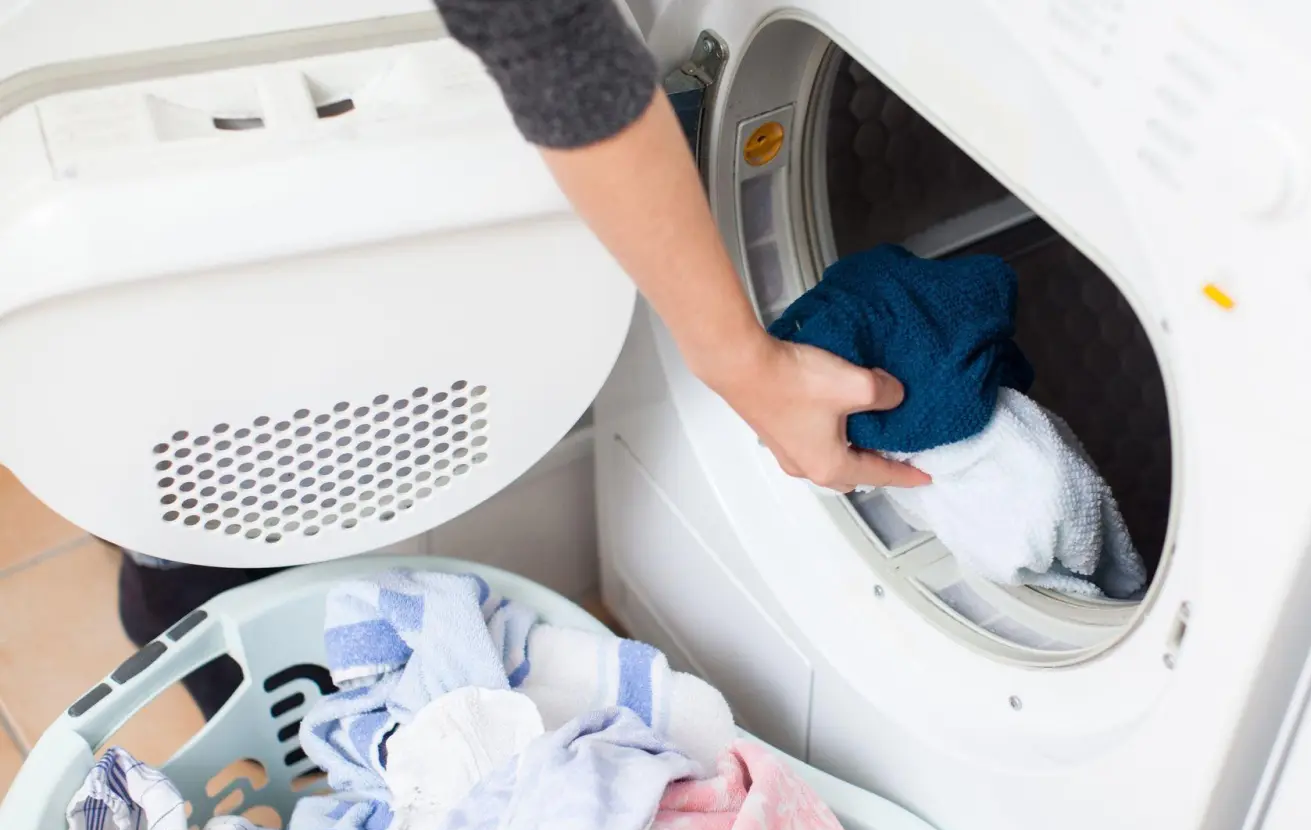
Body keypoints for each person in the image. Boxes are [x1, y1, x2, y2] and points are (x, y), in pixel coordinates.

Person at [118, 0, 929, 718]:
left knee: (255, 376)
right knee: (186, 391)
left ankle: (222, 581)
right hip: (121, 136)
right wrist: (746, 364)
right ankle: (184, 590)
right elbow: (555, 43)